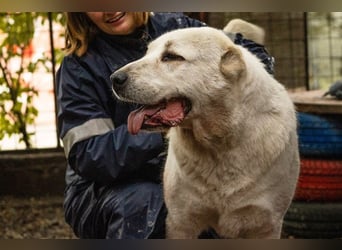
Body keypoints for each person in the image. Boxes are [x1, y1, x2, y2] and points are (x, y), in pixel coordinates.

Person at [56, 12, 274, 239]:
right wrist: (165, 129)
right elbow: (89, 155)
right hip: (103, 191)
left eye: (170, 58)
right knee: (144, 204)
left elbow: (252, 59)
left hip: (188, 175)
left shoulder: (178, 28)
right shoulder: (79, 68)